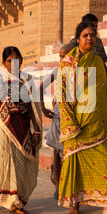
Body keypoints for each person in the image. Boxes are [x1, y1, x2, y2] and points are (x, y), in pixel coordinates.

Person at [56, 21, 107, 214]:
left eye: (93, 35)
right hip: (77, 123)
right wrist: (70, 122)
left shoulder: (97, 61)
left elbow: (103, 90)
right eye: (86, 35)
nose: (89, 38)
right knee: (75, 164)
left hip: (98, 122)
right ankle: (75, 204)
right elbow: (62, 94)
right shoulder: (68, 63)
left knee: (104, 162)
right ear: (78, 39)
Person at [0, 46, 42, 214]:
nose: (13, 63)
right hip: (2, 129)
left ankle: (2, 199)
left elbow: (33, 108)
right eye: (9, 61)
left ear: (21, 61)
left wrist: (36, 131)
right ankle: (6, 201)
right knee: (1, 163)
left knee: (18, 164)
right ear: (3, 63)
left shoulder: (27, 81)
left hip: (22, 129)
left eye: (16, 60)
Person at [39, 42, 76, 199]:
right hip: (58, 117)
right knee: (56, 150)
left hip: (75, 119)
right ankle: (58, 186)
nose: (62, 60)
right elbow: (41, 87)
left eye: (65, 56)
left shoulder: (79, 71)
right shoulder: (57, 70)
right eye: (60, 56)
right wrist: (43, 108)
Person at [69, 13, 107, 95]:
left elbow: (103, 64)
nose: (89, 38)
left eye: (96, 27)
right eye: (85, 35)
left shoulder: (98, 42)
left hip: (97, 83)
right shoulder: (73, 45)